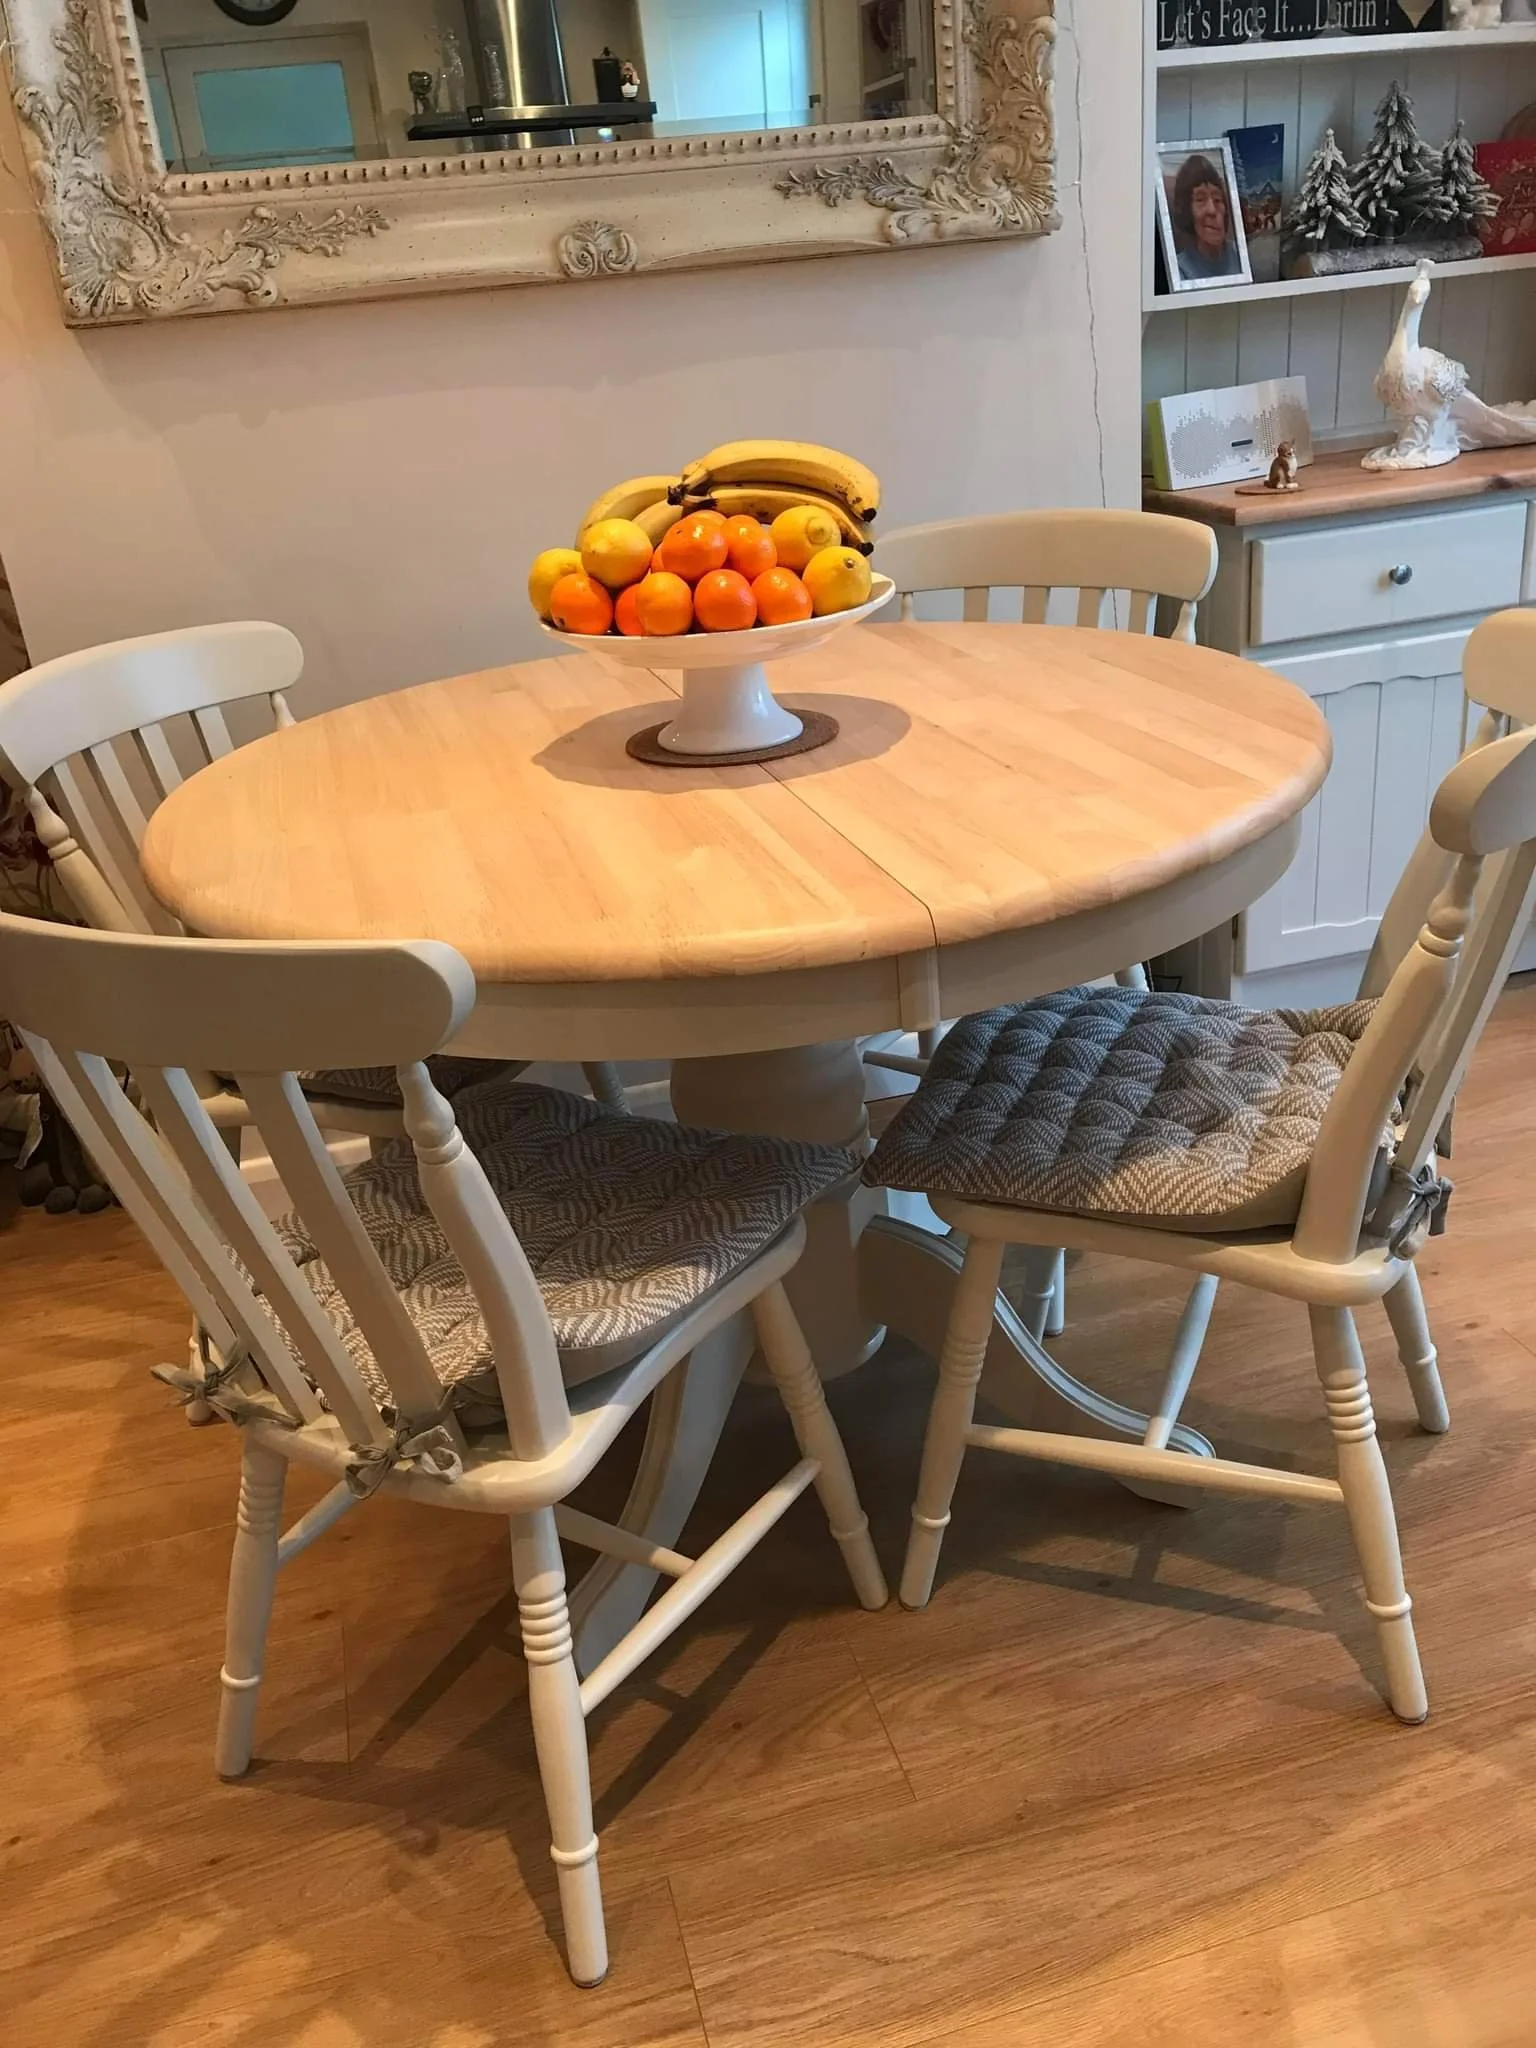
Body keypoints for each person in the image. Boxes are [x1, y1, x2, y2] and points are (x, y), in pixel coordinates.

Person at [1170, 152, 1240, 281]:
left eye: (1218, 200)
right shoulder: (1179, 270)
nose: (1212, 210)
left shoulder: (1243, 255)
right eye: (1200, 199)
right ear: (1187, 211)